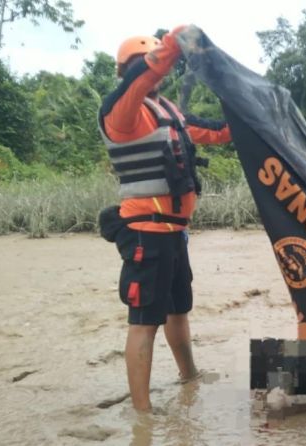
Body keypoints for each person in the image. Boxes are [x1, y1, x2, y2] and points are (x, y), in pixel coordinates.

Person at [98, 27, 232, 411]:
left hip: (175, 234)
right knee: (144, 321)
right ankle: (143, 414)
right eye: (143, 66)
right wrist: (173, 42)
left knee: (178, 309)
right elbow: (145, 75)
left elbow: (219, 132)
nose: (154, 72)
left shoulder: (169, 112)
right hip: (144, 234)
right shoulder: (122, 112)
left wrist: (252, 110)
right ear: (128, 72)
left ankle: (189, 376)